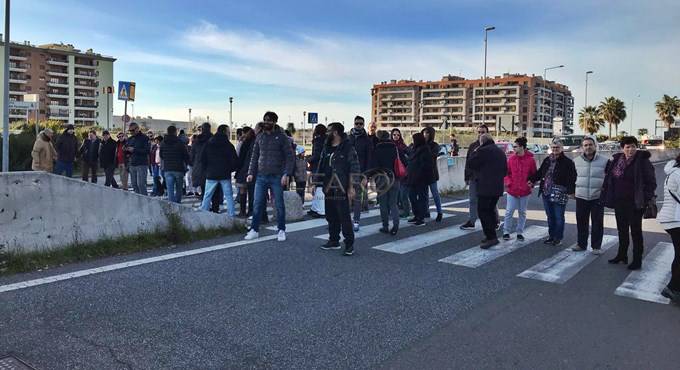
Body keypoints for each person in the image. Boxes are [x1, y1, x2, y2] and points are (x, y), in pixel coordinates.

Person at [601, 136, 656, 270]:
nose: (631, 149)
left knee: (636, 232)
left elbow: (651, 182)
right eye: (627, 147)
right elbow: (609, 177)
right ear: (622, 148)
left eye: (633, 146)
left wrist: (645, 197)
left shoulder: (642, 161)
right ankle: (622, 255)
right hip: (619, 201)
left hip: (635, 203)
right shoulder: (616, 160)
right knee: (622, 230)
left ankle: (637, 260)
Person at [244, 112, 294, 242]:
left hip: (277, 176)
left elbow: (290, 157)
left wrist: (286, 174)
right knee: (257, 204)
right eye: (265, 120)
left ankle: (281, 229)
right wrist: (250, 172)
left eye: (269, 120)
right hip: (261, 176)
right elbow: (254, 156)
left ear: (275, 122)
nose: (266, 122)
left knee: (279, 204)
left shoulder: (282, 137)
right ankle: (254, 229)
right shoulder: (260, 137)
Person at [317, 122, 360, 256]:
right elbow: (321, 165)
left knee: (344, 216)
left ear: (335, 132)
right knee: (330, 215)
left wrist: (352, 187)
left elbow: (354, 167)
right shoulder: (326, 147)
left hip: (341, 186)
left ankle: (349, 244)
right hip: (328, 186)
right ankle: (334, 240)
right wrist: (317, 183)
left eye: (329, 131)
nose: (326, 133)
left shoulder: (347, 147)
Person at [528, 139, 577, 246]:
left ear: (562, 148)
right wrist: (531, 180)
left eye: (557, 147)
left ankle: (558, 238)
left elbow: (571, 178)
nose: (555, 149)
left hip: (560, 193)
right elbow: (540, 172)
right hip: (546, 192)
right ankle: (551, 236)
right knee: (550, 216)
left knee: (559, 216)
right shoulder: (547, 160)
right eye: (553, 147)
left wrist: (571, 191)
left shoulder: (568, 162)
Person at [467, 133, 508, 249]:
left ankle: (491, 237)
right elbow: (505, 170)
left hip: (485, 187)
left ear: (482, 142)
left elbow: (471, 163)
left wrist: (475, 151)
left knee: (483, 212)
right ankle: (492, 235)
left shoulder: (482, 151)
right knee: (490, 211)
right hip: (497, 187)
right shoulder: (500, 152)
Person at [572, 136, 609, 254]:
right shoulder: (576, 161)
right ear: (582, 147)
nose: (588, 147)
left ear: (595, 146)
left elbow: (610, 179)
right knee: (581, 222)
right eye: (585, 145)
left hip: (597, 197)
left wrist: (606, 192)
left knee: (597, 223)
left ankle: (596, 246)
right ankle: (581, 244)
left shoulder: (605, 161)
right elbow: (572, 178)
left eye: (590, 145)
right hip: (581, 196)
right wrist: (572, 192)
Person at [502, 137, 536, 242]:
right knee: (509, 211)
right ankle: (506, 232)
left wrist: (531, 183)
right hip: (512, 190)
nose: (514, 148)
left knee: (522, 212)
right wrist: (509, 183)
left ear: (522, 147)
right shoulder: (511, 159)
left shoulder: (531, 160)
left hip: (525, 191)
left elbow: (534, 174)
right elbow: (506, 173)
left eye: (515, 146)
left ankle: (519, 232)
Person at [200, 124, 238, 216]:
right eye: (228, 132)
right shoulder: (228, 145)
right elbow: (235, 160)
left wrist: (207, 169)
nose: (229, 134)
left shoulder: (209, 143)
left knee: (207, 195)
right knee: (228, 196)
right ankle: (231, 215)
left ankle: (203, 214)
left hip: (211, 173)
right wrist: (230, 169)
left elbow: (202, 158)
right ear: (225, 132)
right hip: (225, 174)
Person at [657, 153, 680, 303]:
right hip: (675, 219)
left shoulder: (674, 171)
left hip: (673, 218)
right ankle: (673, 288)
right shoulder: (678, 173)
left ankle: (674, 288)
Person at [370, 130, 400, 235]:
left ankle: (385, 226)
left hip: (382, 178)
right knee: (393, 203)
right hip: (394, 177)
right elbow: (403, 161)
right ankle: (396, 225)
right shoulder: (395, 148)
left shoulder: (377, 149)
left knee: (383, 203)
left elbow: (374, 166)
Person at [460, 124, 489, 230]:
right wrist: (466, 177)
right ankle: (471, 221)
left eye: (483, 132)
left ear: (487, 133)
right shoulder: (473, 146)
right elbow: (468, 162)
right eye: (479, 132)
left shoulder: (490, 146)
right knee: (472, 200)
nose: (481, 134)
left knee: (488, 201)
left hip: (486, 179)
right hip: (473, 177)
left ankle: (495, 221)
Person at [348, 115, 372, 231]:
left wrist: (366, 176)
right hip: (346, 172)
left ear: (363, 125)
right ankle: (344, 220)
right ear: (353, 123)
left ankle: (356, 221)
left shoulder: (367, 140)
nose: (358, 125)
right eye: (356, 123)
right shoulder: (348, 138)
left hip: (360, 172)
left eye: (360, 124)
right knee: (344, 197)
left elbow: (369, 159)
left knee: (357, 198)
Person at [192, 123, 223, 212]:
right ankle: (215, 208)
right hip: (212, 168)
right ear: (210, 129)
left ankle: (205, 207)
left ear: (202, 129)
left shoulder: (197, 140)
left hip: (200, 168)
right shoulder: (214, 139)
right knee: (215, 190)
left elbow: (192, 155)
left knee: (204, 190)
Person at [405, 133, 433, 226]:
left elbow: (426, 165)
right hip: (412, 178)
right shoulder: (414, 149)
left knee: (422, 198)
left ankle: (421, 218)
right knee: (412, 197)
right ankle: (416, 215)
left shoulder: (425, 149)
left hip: (421, 179)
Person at [160, 125, 190, 203]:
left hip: (167, 168)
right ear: (175, 132)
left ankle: (172, 206)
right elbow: (185, 155)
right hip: (178, 168)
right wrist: (187, 164)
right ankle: (178, 204)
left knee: (170, 189)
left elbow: (161, 155)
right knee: (178, 189)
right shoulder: (180, 142)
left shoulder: (163, 142)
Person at [422, 127, 443, 222]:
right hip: (422, 172)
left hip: (432, 173)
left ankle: (439, 212)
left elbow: (432, 155)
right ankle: (426, 211)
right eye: (424, 133)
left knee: (435, 194)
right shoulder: (420, 145)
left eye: (427, 133)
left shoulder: (435, 145)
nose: (425, 135)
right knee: (424, 194)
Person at [235, 126, 256, 217]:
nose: (243, 135)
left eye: (244, 133)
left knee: (243, 190)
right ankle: (250, 211)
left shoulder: (245, 143)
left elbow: (239, 156)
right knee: (251, 192)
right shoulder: (255, 141)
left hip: (244, 169)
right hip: (250, 169)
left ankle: (243, 211)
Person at [308, 124, 327, 218]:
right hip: (323, 166)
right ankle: (314, 208)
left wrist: (308, 159)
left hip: (318, 166)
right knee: (318, 187)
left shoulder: (318, 141)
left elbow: (316, 155)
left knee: (319, 187)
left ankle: (320, 210)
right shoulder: (325, 140)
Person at [126, 122, 151, 195]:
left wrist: (134, 149)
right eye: (130, 131)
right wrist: (126, 149)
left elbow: (147, 150)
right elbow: (128, 151)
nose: (131, 132)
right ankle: (138, 201)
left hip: (141, 164)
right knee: (134, 184)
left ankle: (145, 201)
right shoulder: (130, 138)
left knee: (141, 184)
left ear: (137, 129)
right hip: (132, 164)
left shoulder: (144, 138)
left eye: (132, 130)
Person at [392, 128, 411, 218]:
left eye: (398, 135)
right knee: (397, 194)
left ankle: (406, 211)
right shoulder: (389, 145)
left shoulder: (402, 146)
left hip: (402, 172)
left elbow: (410, 155)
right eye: (394, 134)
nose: (396, 136)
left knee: (403, 194)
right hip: (393, 173)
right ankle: (400, 210)